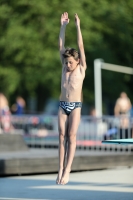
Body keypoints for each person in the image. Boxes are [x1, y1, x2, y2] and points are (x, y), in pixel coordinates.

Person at [56, 12, 87, 185]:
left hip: (75, 106)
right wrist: (63, 26)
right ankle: (60, 168)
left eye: (70, 63)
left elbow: (81, 46)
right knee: (61, 136)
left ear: (77, 62)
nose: (67, 65)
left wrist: (77, 26)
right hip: (62, 105)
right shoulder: (63, 68)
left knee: (71, 136)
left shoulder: (81, 69)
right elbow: (61, 45)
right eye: (66, 62)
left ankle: (68, 170)